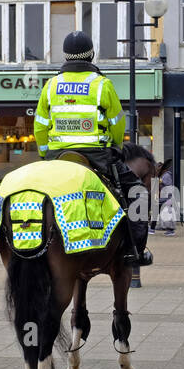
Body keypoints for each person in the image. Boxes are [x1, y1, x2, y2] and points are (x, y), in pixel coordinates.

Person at [33, 30, 152, 265]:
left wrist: (45, 154)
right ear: (92, 55)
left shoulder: (51, 85)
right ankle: (134, 251)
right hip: (97, 156)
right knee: (138, 194)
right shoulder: (101, 85)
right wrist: (115, 147)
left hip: (58, 156)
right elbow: (118, 123)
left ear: (65, 56)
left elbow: (40, 125)